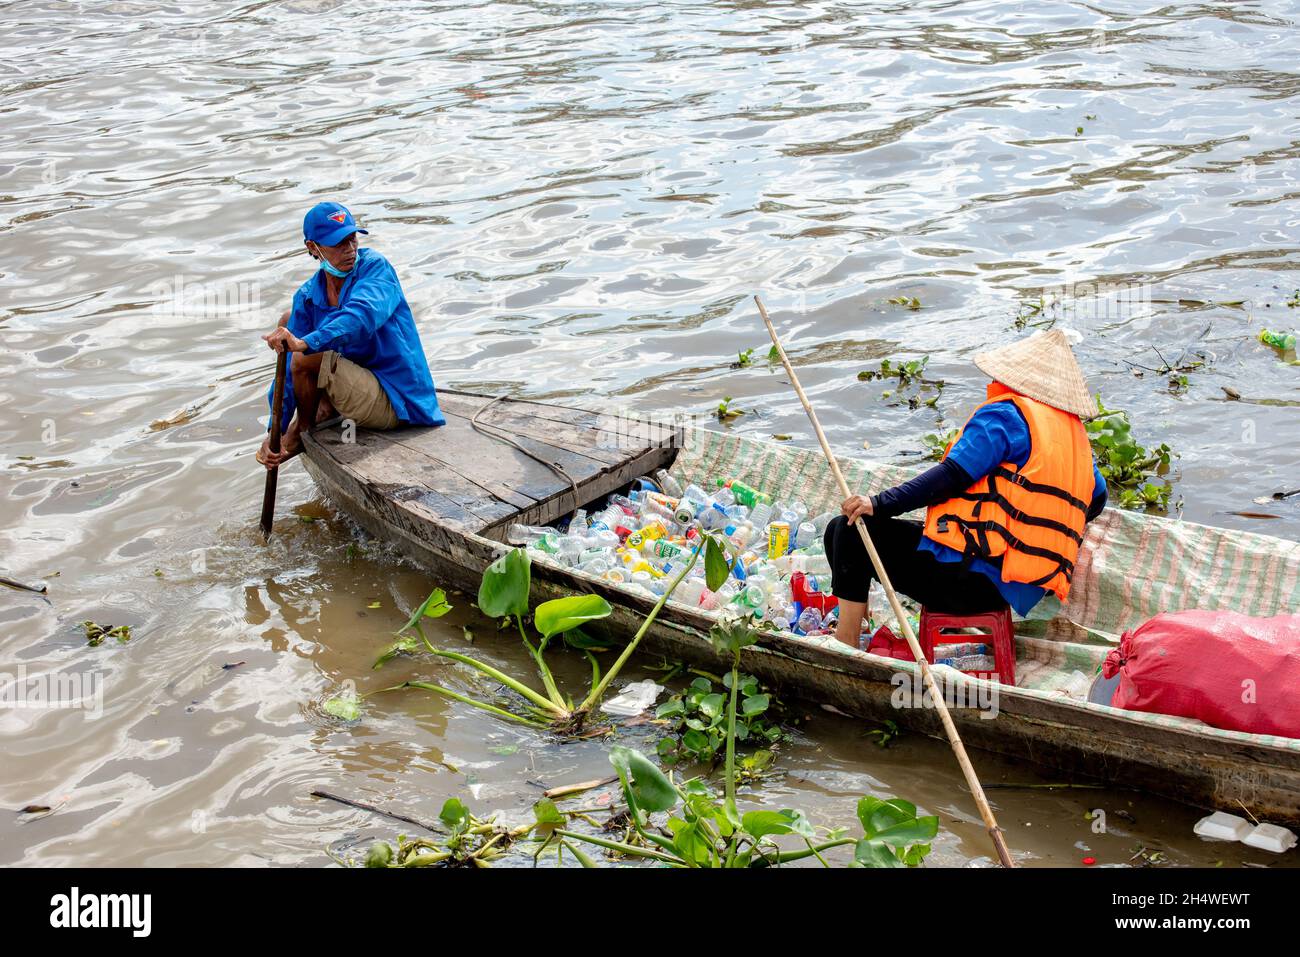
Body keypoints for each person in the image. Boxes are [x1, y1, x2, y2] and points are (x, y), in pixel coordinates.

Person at [824, 328, 1107, 648]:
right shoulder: (1073, 439)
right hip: (1016, 587)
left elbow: (951, 476)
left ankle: (846, 640)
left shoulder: (1006, 415)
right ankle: (864, 623)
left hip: (967, 583)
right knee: (839, 529)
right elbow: (1097, 499)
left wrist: (880, 502)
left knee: (850, 530)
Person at [257, 201, 445, 469]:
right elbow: (286, 371)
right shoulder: (309, 295)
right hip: (355, 391)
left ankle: (303, 431)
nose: (350, 250)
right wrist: (274, 431)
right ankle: (311, 418)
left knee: (305, 354)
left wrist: (306, 343)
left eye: (352, 239)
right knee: (288, 323)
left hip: (397, 401)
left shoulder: (376, 269)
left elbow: (361, 317)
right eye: (339, 244)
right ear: (313, 248)